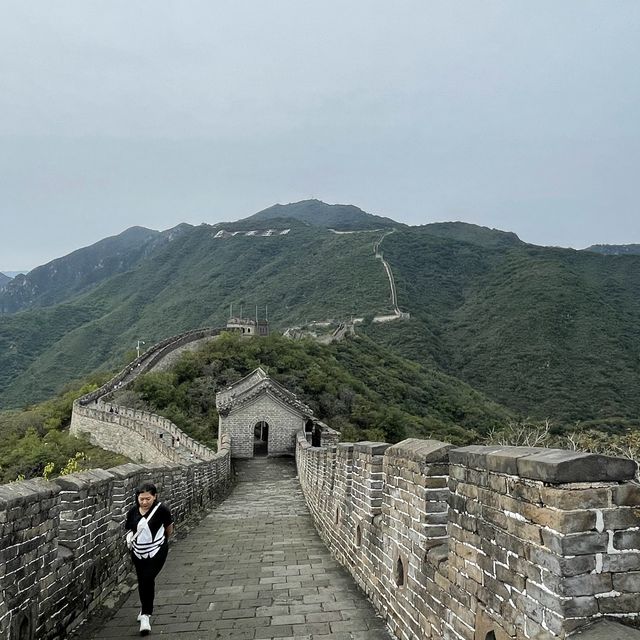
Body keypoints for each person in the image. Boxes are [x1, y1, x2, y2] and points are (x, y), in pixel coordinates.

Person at [124, 482, 174, 636]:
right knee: (143, 579)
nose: (144, 502)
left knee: (147, 577)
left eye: (148, 499)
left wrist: (159, 542)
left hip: (157, 549)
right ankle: (145, 610)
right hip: (138, 552)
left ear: (154, 497)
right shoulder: (132, 511)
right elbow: (131, 529)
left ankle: (146, 615)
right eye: (141, 499)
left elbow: (169, 529)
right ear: (137, 498)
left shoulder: (162, 510)